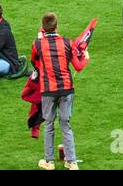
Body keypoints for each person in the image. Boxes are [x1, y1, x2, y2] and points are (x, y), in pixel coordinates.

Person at [31, 11, 88, 171]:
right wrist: (86, 57)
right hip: (66, 90)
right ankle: (72, 161)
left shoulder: (37, 44)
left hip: (48, 90)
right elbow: (78, 66)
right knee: (65, 124)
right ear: (57, 27)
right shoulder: (67, 43)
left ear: (43, 28)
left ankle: (49, 162)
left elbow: (34, 63)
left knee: (49, 124)